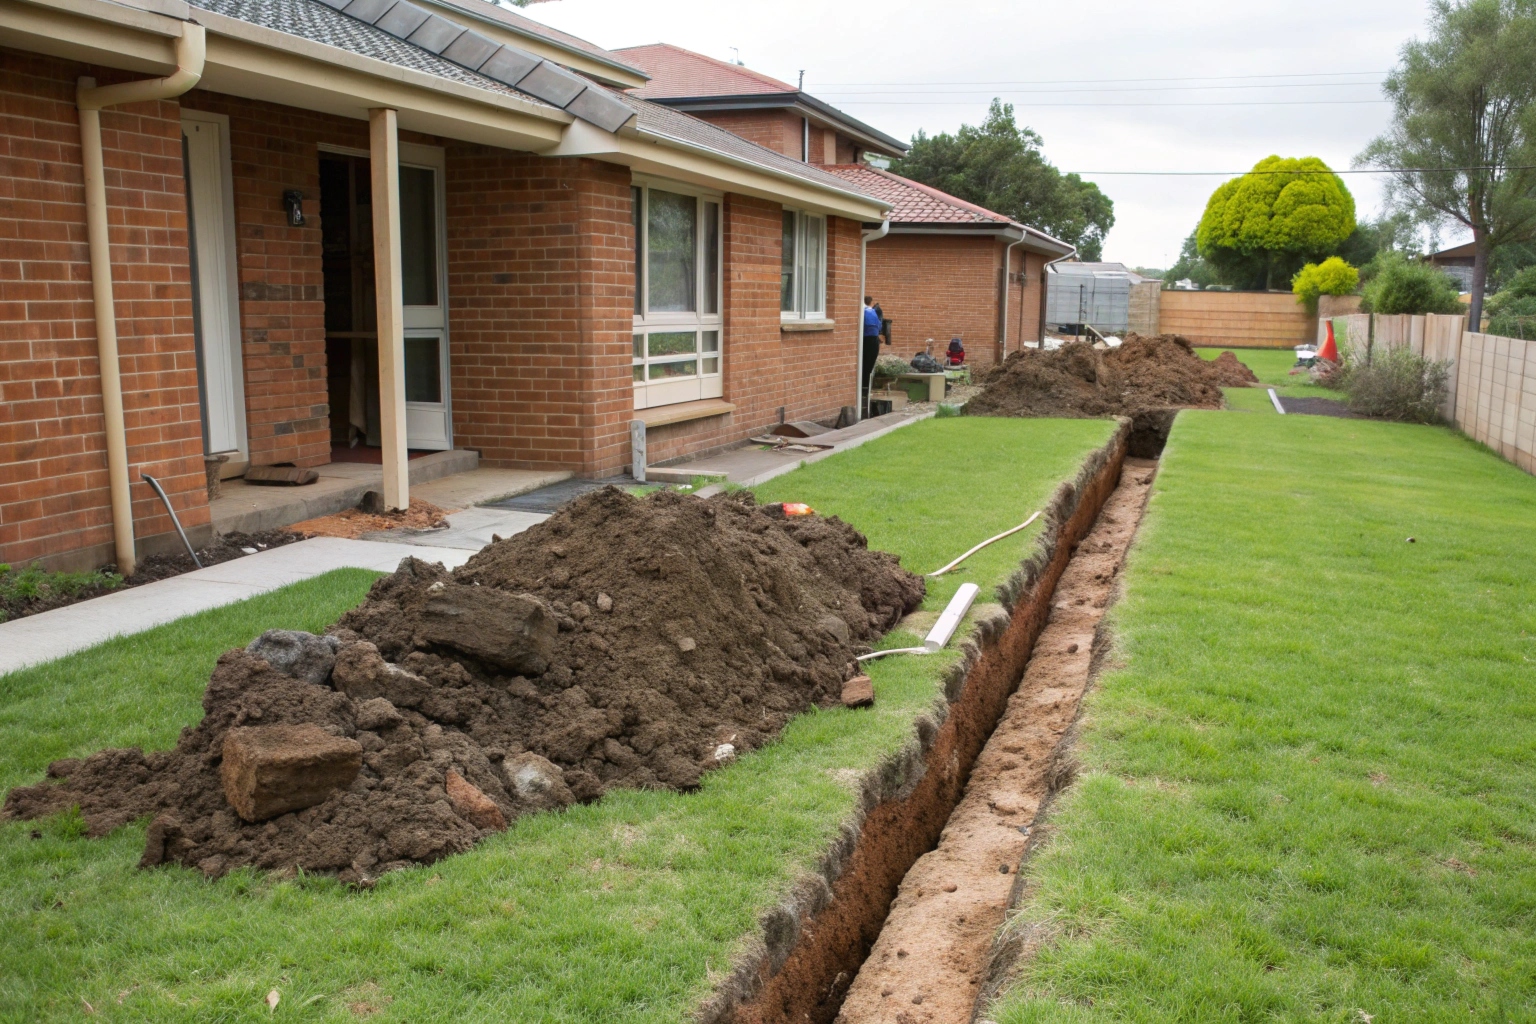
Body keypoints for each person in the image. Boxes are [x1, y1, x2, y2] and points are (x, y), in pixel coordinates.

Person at [862, 296, 887, 413]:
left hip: (864, 341)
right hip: (873, 342)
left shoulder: (862, 311)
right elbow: (879, 326)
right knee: (868, 367)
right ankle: (865, 389)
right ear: (870, 302)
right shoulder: (873, 312)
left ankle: (862, 390)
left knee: (862, 366)